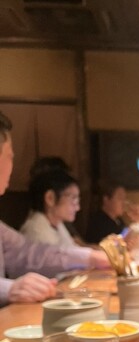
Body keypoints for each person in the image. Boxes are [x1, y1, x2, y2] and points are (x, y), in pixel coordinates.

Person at [0, 110, 110, 306]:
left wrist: (92, 257)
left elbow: (28, 253)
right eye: (10, 155)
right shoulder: (36, 226)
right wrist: (9, 289)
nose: (13, 162)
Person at [20, 169, 80, 247]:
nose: (77, 208)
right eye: (73, 199)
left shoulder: (57, 224)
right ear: (50, 198)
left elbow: (72, 249)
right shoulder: (36, 230)